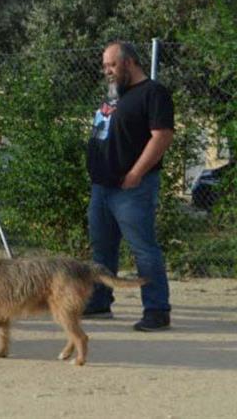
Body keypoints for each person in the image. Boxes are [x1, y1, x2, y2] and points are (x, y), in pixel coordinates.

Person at [84, 41, 174, 331]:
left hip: (132, 187)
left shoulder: (153, 93)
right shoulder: (114, 95)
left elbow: (161, 136)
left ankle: (157, 310)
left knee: (143, 250)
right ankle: (99, 302)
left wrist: (136, 172)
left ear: (130, 62)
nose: (107, 71)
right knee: (102, 248)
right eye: (105, 66)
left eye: (111, 65)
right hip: (102, 186)